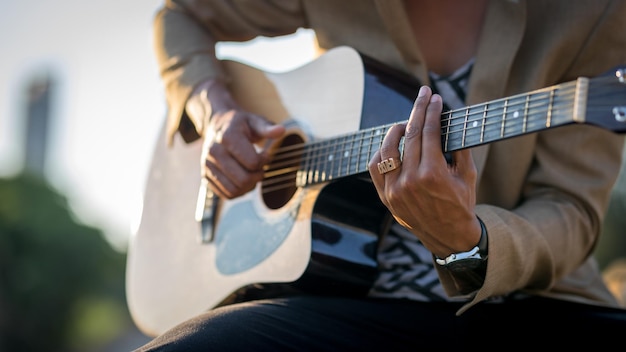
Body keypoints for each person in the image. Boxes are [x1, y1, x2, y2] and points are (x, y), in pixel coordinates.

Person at [135, 0, 626, 350]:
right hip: (329, 303)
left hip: (516, 307)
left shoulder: (592, 11)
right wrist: (213, 109)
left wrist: (466, 243)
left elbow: (571, 209)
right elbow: (182, 16)